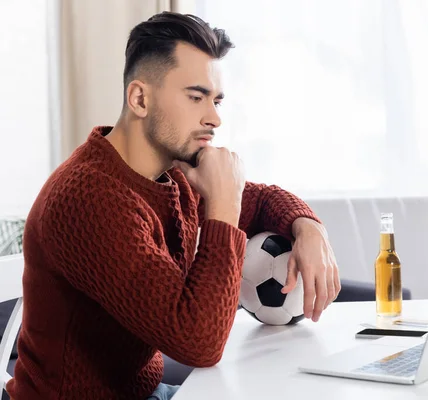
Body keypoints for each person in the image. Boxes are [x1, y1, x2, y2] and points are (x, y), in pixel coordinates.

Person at [6, 11, 340, 400]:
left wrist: (309, 227)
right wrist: (223, 206)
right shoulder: (89, 198)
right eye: (196, 97)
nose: (214, 117)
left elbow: (263, 201)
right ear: (140, 98)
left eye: (216, 100)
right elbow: (199, 345)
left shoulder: (174, 172)